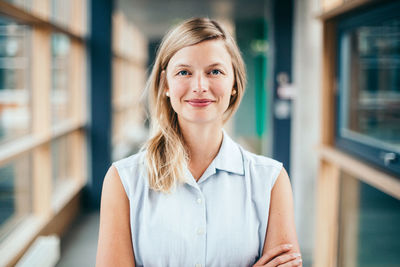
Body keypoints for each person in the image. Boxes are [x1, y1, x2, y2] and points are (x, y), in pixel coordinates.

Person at [96, 17, 302, 267]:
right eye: (184, 72)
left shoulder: (270, 181)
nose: (200, 86)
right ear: (165, 84)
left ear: (234, 83)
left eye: (214, 71)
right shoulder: (124, 181)